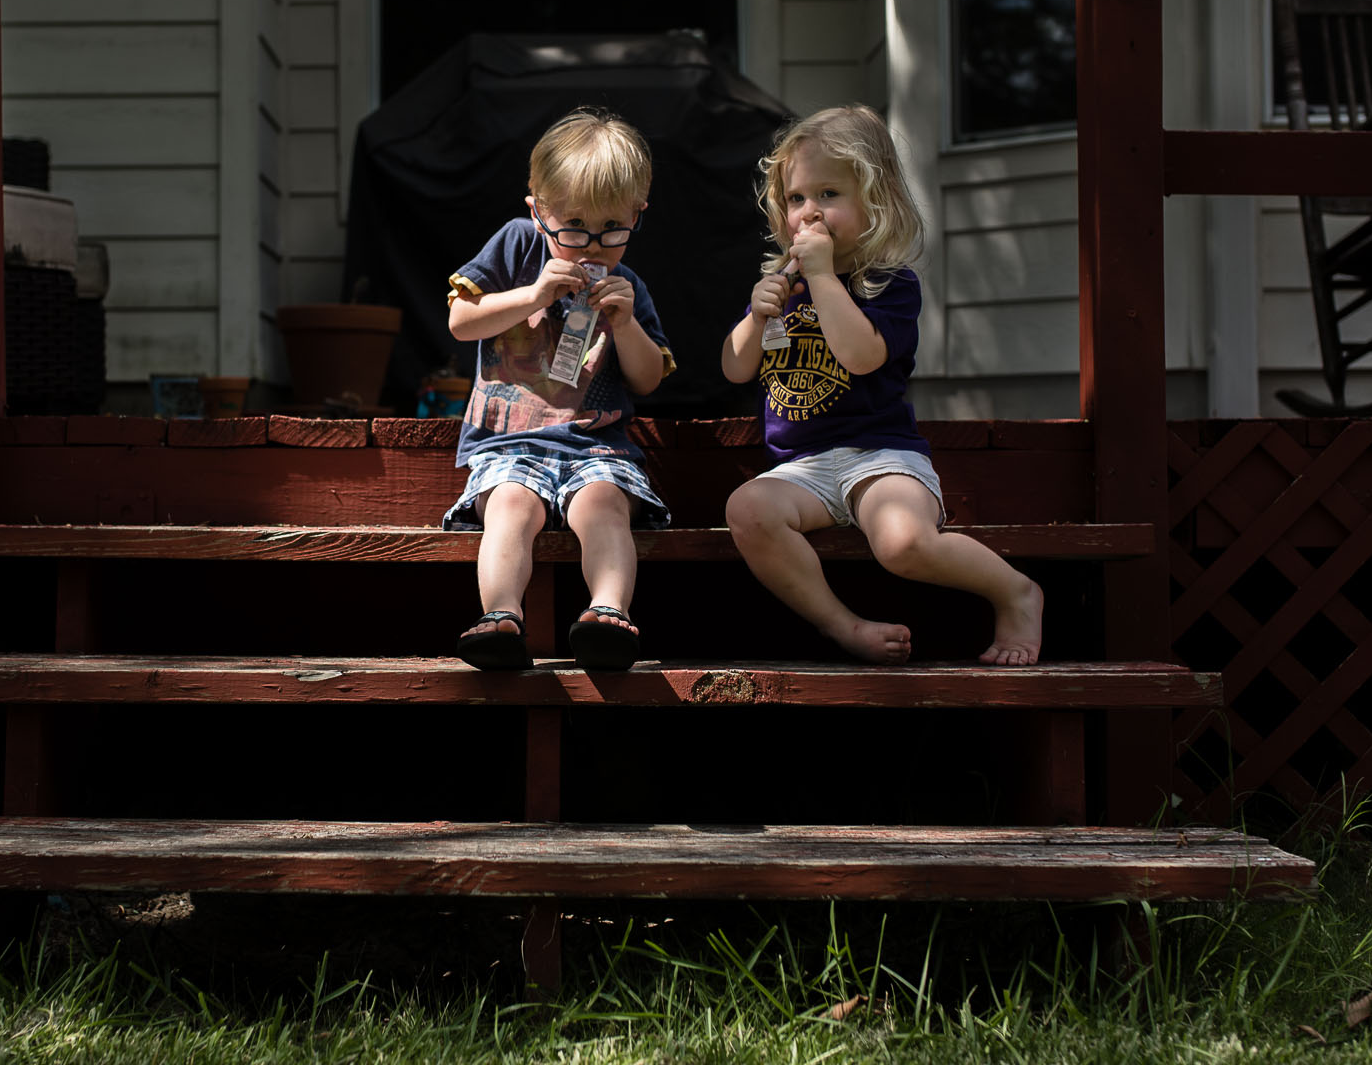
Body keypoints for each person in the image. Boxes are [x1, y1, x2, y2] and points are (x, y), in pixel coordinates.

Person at [720, 105, 1044, 666]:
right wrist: (754, 317)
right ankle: (842, 625)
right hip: (801, 468)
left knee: (903, 543)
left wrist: (822, 276)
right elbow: (734, 368)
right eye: (797, 199)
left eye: (828, 195)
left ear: (876, 202)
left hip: (882, 458)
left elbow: (861, 356)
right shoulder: (782, 285)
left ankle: (1016, 591)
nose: (809, 213)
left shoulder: (890, 285)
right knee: (747, 509)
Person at [445, 107, 674, 671]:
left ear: (638, 215)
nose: (591, 248)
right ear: (538, 212)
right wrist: (534, 295)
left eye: (611, 230)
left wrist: (625, 324)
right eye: (572, 229)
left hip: (597, 448)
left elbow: (647, 379)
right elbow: (461, 320)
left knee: (604, 506)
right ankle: (500, 617)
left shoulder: (629, 287)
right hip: (509, 445)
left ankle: (607, 615)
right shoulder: (519, 247)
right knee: (509, 508)